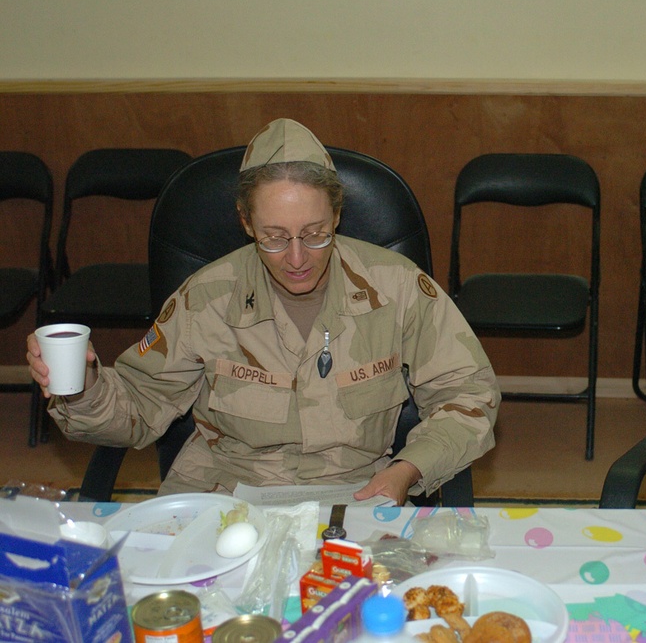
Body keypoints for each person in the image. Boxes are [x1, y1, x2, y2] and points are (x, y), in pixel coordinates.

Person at [26, 118, 500, 505]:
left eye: (315, 233)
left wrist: (408, 470)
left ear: (337, 215)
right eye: (274, 237)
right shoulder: (206, 297)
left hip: (353, 496)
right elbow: (138, 406)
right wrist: (84, 387)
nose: (297, 257)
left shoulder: (397, 288)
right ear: (245, 222)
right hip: (224, 496)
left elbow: (469, 393)